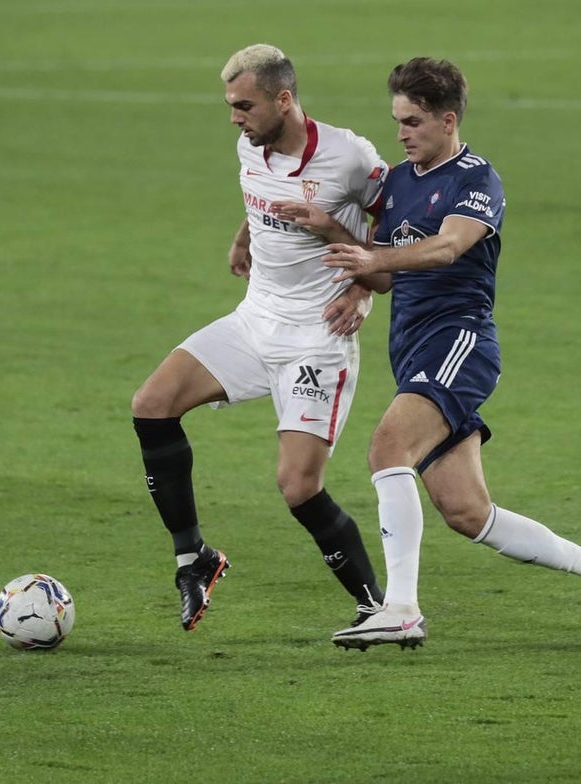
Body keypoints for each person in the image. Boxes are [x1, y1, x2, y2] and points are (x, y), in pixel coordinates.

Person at [322, 57, 581, 651]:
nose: (402, 133)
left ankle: (401, 610)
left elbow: (448, 247)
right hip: (414, 350)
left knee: (387, 448)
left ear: (448, 120)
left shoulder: (476, 179)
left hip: (460, 341)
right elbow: (387, 277)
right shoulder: (399, 183)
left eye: (413, 122)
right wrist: (332, 236)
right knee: (469, 514)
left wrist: (373, 257)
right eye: (397, 121)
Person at [130, 44, 391, 634]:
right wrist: (244, 233)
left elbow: (395, 229)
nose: (234, 118)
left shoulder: (350, 157)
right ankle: (194, 558)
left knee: (298, 487)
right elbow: (265, 196)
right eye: (230, 105)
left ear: (284, 99)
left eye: (244, 105)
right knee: (152, 404)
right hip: (254, 320)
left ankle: (378, 606)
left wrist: (362, 286)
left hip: (317, 338)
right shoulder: (250, 145)